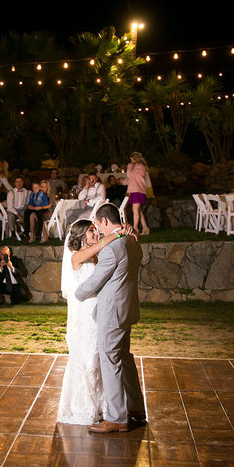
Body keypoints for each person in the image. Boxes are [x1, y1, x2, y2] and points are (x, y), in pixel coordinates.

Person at [74, 203, 145, 432]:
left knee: (111, 361)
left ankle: (116, 418)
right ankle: (135, 408)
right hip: (127, 309)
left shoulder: (111, 248)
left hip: (111, 313)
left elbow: (96, 280)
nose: (97, 229)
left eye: (97, 224)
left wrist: (79, 293)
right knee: (124, 357)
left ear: (105, 221)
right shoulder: (133, 242)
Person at [57, 218, 134, 425]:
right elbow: (101, 244)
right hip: (87, 311)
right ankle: (84, 405)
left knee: (101, 360)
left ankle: (104, 405)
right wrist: (118, 233)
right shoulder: (77, 257)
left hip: (103, 311)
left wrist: (125, 232)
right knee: (89, 359)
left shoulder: (99, 256)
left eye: (96, 229)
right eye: (91, 230)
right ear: (81, 236)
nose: (96, 233)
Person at [124, 152, 151, 235]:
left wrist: (129, 166)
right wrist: (122, 182)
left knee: (135, 211)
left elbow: (130, 175)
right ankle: (145, 228)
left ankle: (135, 229)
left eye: (131, 159)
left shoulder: (138, 167)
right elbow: (133, 179)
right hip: (136, 190)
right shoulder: (139, 167)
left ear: (134, 159)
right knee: (138, 211)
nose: (130, 161)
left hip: (137, 191)